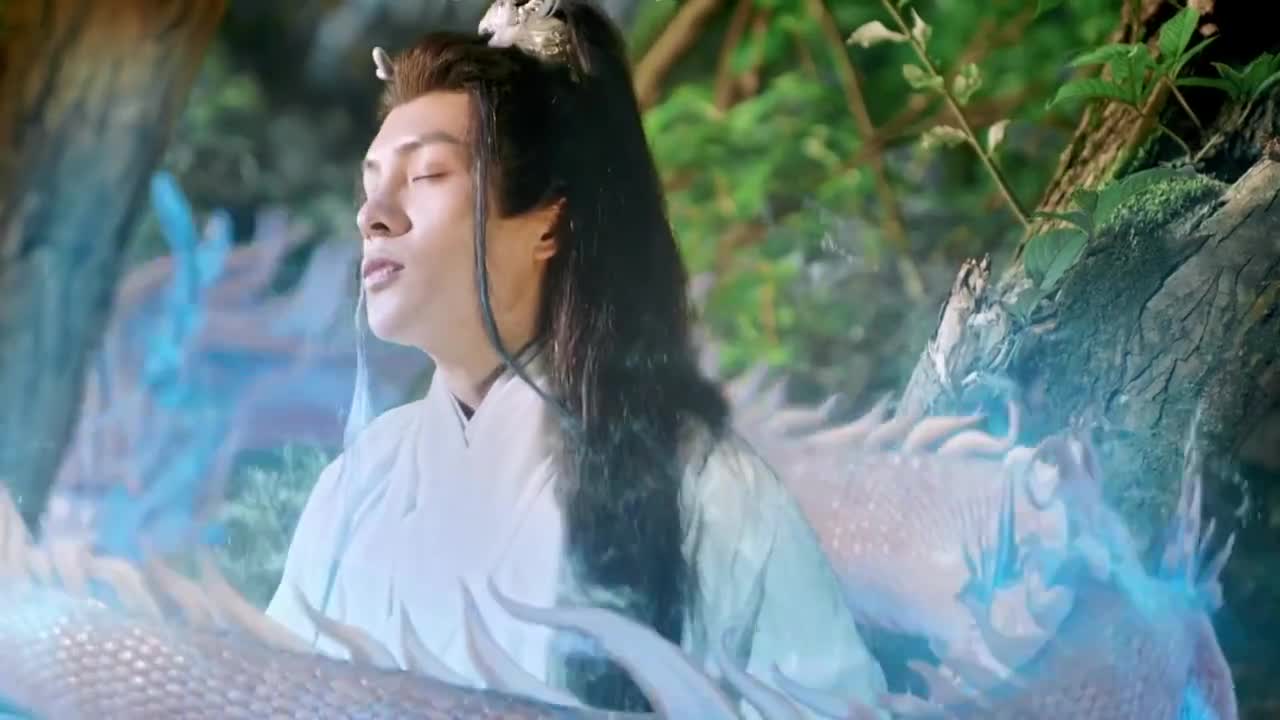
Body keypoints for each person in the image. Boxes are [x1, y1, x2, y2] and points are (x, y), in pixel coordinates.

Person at [264, 0, 887, 713]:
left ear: (546, 221)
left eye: (427, 175)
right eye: (371, 182)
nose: (372, 214)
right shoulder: (359, 486)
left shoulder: (705, 488)